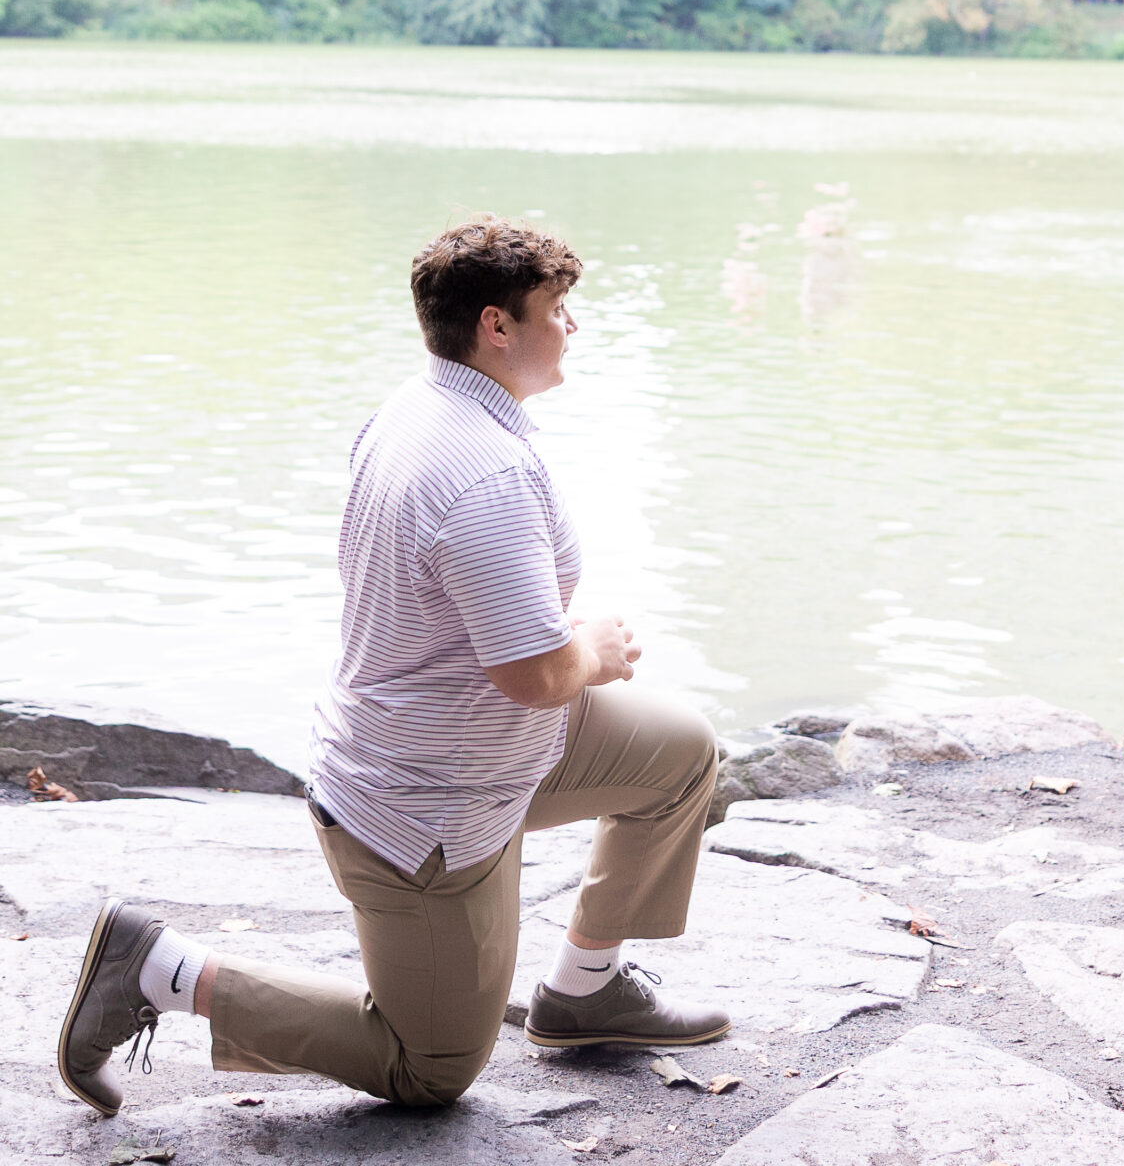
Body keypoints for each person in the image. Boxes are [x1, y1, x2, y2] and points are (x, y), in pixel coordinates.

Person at [59, 216, 728, 1121]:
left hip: (491, 745)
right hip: (427, 805)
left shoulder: (420, 407)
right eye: (557, 310)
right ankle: (158, 968)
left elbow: (456, 608)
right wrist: (592, 651)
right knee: (431, 1069)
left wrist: (554, 636)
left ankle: (586, 990)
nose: (572, 326)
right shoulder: (485, 471)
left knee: (679, 752)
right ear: (497, 326)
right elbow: (533, 679)